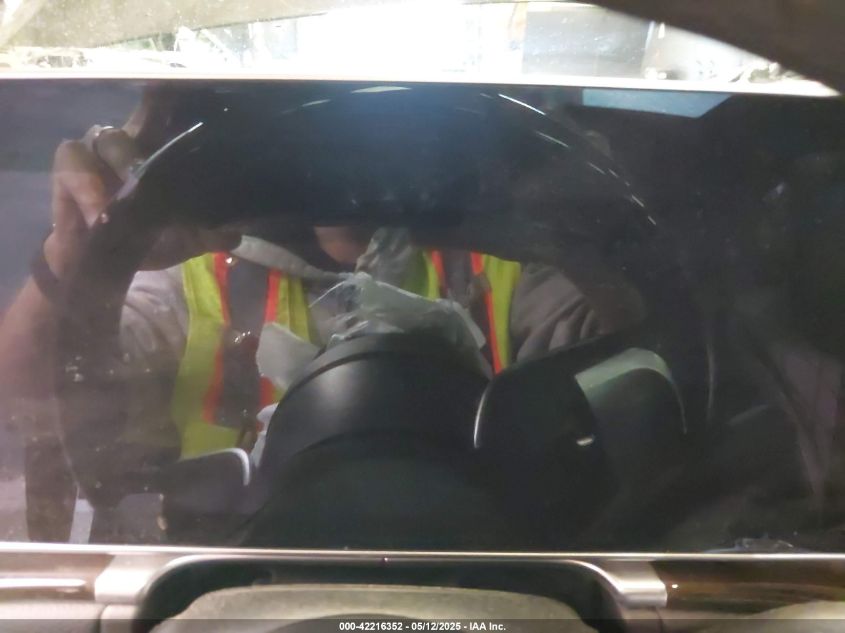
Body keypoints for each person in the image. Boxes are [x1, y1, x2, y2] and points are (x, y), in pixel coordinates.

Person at [0, 98, 644, 539]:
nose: (354, 167)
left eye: (384, 131)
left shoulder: (512, 270)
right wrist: (83, 246)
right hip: (227, 584)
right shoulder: (193, 270)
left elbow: (654, 377)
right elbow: (19, 396)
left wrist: (580, 227)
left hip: (490, 579)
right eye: (332, 139)